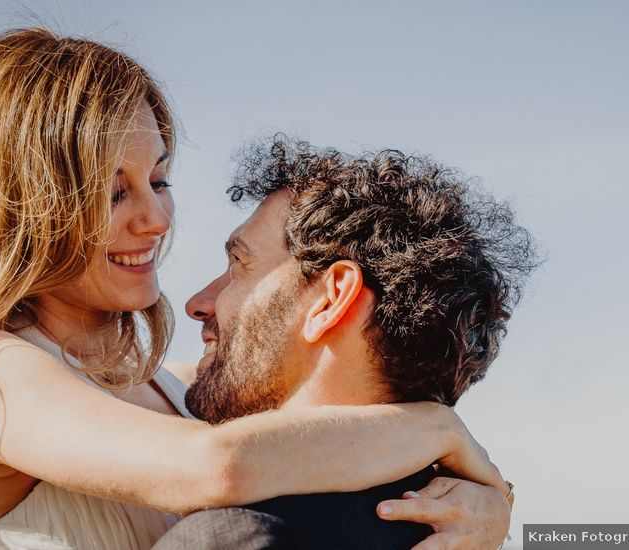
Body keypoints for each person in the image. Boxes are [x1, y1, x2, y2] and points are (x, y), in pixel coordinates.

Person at [0, 28, 510, 550]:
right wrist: (435, 424)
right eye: (111, 189)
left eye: (158, 179)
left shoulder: (177, 390)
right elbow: (217, 471)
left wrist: (488, 504)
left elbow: (297, 432)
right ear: (13, 208)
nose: (155, 218)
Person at [154, 138, 535, 549]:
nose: (198, 303)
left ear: (332, 300)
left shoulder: (237, 537)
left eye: (239, 266)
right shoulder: (454, 529)